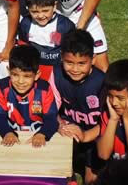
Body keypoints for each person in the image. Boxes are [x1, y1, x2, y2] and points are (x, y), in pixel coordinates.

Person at [49, 29, 106, 184]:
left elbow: (110, 122)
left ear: (93, 59)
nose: (75, 69)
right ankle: (69, 176)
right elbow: (50, 108)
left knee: (92, 180)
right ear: (62, 58)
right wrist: (61, 125)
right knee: (59, 170)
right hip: (69, 131)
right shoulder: (56, 74)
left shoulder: (103, 83)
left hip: (95, 135)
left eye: (82, 63)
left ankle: (87, 165)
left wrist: (86, 134)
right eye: (69, 62)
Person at [0, 45, 58, 148]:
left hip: (38, 137)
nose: (20, 81)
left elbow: (51, 119)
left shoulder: (44, 89)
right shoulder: (1, 87)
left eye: (27, 76)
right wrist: (7, 133)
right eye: (15, 75)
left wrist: (43, 134)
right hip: (11, 138)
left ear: (37, 75)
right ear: (9, 71)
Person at [17, 0, 75, 81]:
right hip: (35, 70)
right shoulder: (25, 24)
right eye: (35, 12)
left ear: (55, 5)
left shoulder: (65, 25)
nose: (40, 15)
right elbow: (23, 47)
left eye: (45, 10)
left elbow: (73, 50)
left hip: (58, 71)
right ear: (28, 8)